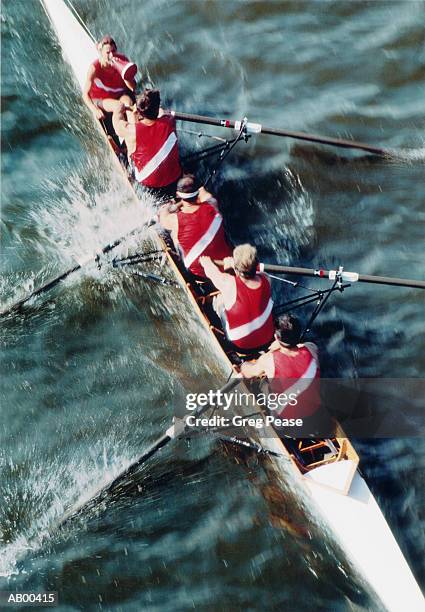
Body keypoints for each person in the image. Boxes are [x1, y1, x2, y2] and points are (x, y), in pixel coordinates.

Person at [240, 314, 320, 420]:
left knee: (263, 384)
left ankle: (276, 421)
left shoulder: (269, 359)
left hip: (286, 414)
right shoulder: (312, 348)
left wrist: (243, 364)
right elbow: (302, 346)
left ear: (276, 337)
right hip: (314, 408)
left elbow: (247, 372)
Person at [200, 244, 274, 352]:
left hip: (240, 345)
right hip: (268, 339)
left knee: (220, 298)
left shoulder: (227, 283)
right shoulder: (266, 278)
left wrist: (206, 262)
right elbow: (253, 275)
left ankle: (215, 312)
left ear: (237, 268)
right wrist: (235, 266)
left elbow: (210, 271)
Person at [159, 174, 232, 278]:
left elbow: (162, 216)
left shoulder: (174, 219)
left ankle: (179, 259)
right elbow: (203, 192)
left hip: (199, 272)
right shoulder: (212, 204)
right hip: (227, 264)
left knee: (174, 234)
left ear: (178, 195)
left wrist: (171, 205)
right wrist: (195, 183)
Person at [112, 88, 181, 197]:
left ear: (140, 111)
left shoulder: (130, 130)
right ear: (157, 108)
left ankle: (125, 167)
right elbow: (162, 115)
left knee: (122, 150)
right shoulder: (170, 120)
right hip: (175, 179)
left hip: (148, 185)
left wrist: (118, 110)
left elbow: (117, 125)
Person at [83, 35, 136, 121]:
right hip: (101, 99)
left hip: (120, 95)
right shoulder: (94, 68)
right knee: (118, 106)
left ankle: (135, 130)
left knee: (128, 103)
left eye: (113, 51)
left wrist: (126, 75)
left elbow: (132, 87)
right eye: (108, 52)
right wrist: (94, 110)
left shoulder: (123, 60)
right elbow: (85, 95)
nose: (111, 55)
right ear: (101, 52)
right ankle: (119, 130)